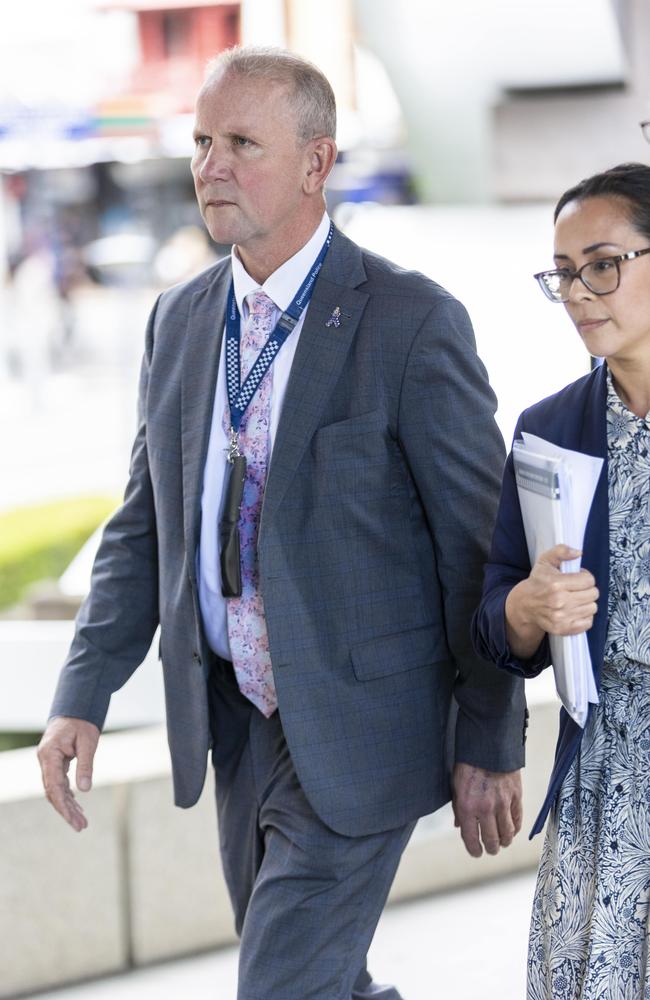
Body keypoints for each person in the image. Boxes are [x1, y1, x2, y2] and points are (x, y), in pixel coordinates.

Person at [37, 46, 525, 1000]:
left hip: (362, 724)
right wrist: (81, 693)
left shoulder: (412, 323)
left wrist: (491, 739)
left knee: (282, 988)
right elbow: (147, 529)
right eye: (202, 142)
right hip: (233, 724)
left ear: (316, 163)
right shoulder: (177, 322)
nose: (209, 166)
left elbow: (479, 552)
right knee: (320, 982)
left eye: (241, 143)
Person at [473, 162, 650, 999]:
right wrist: (527, 608)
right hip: (606, 772)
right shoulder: (550, 431)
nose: (581, 292)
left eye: (604, 264)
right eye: (566, 274)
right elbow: (497, 619)